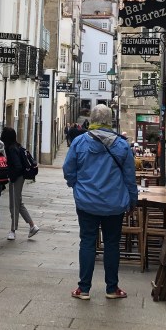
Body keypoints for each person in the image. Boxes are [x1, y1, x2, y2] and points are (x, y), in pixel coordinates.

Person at [62, 103, 137, 300]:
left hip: (87, 202)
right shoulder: (122, 145)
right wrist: (132, 200)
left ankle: (84, 289)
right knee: (112, 243)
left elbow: (68, 169)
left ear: (92, 120)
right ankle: (112, 288)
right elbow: (130, 177)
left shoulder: (79, 142)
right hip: (114, 203)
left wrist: (76, 186)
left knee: (87, 242)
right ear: (110, 120)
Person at [1, 126, 41, 241]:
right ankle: (32, 226)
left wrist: (11, 177)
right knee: (18, 203)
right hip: (19, 177)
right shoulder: (16, 146)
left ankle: (13, 230)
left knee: (13, 205)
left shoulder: (11, 149)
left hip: (16, 178)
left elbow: (17, 166)